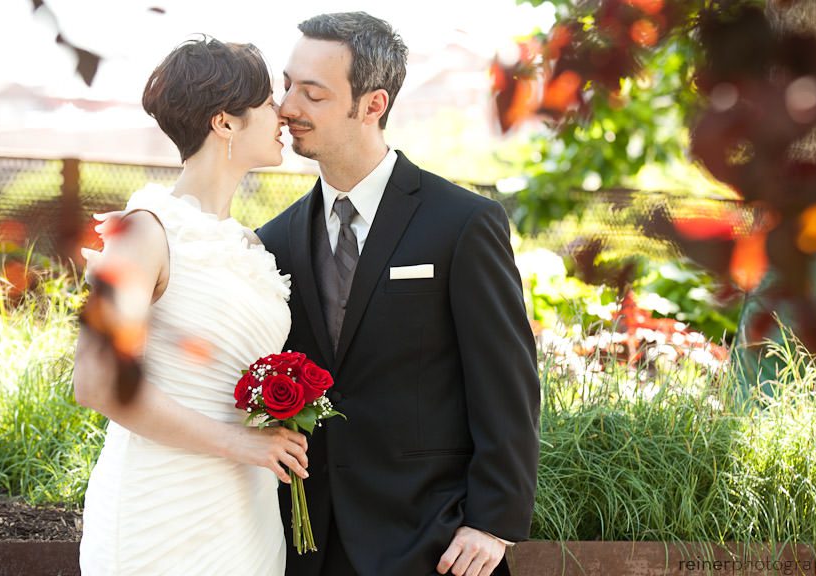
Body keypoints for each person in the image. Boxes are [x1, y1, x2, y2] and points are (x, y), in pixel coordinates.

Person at [257, 12, 540, 576]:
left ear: (373, 105)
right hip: (308, 542)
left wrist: (494, 522)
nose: (287, 108)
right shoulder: (273, 239)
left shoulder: (462, 223)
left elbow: (506, 378)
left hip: (432, 542)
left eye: (312, 93)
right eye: (287, 85)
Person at [74, 37, 309, 575]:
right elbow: (96, 382)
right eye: (270, 103)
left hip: (241, 508)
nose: (284, 114)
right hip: (160, 506)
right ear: (224, 122)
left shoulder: (253, 247)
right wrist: (240, 443)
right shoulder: (142, 232)